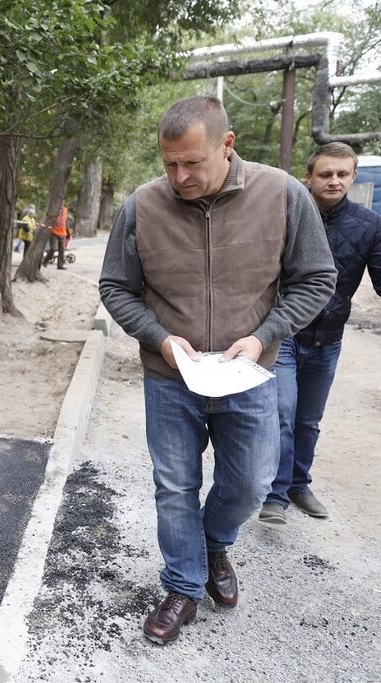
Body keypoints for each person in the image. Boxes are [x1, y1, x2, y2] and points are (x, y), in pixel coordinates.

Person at [99, 96, 336, 645]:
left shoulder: (282, 195)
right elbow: (115, 287)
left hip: (248, 375)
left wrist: (263, 336)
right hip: (170, 378)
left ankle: (213, 543)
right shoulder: (141, 206)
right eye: (169, 164)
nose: (179, 176)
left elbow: (316, 278)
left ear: (227, 147)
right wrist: (160, 339)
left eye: (192, 163)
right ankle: (183, 585)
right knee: (174, 485)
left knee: (252, 483)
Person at [260, 143, 381, 524]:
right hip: (284, 334)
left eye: (342, 174)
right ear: (309, 176)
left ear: (353, 176)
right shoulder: (285, 214)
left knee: (308, 420)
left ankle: (299, 484)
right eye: (326, 174)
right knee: (281, 412)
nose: (334, 181)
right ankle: (275, 495)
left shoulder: (369, 224)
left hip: (328, 339)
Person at [43, 204, 70, 269]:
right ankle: (46, 260)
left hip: (63, 233)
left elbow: (66, 221)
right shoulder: (54, 209)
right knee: (53, 248)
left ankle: (60, 265)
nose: (62, 203)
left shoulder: (65, 210)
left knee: (62, 249)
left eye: (63, 202)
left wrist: (68, 232)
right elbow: (48, 218)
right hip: (54, 232)